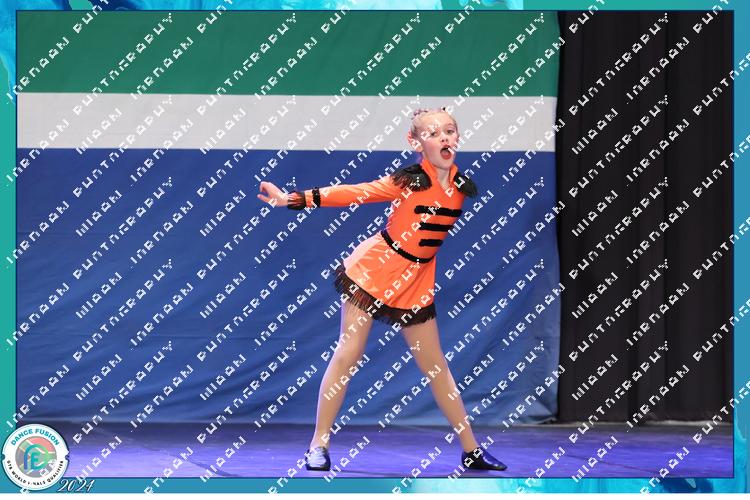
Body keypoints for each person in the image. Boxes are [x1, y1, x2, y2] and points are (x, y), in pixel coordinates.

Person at [257, 108, 507, 472]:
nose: (444, 137)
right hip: (374, 269)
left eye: (450, 131)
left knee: (436, 366)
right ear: (416, 142)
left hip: (417, 279)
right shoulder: (408, 181)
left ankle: (471, 450)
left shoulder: (460, 187)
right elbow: (353, 193)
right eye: (433, 133)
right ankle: (318, 444)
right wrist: (292, 199)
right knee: (349, 353)